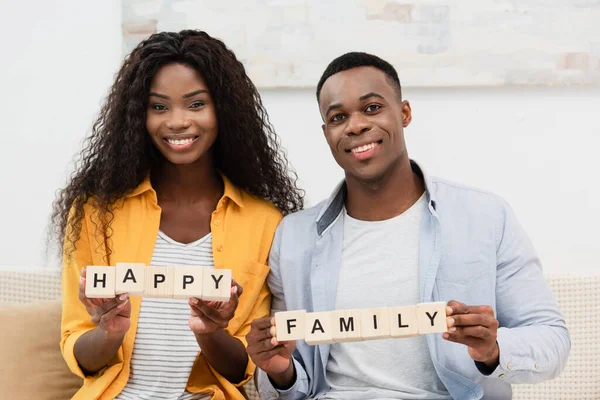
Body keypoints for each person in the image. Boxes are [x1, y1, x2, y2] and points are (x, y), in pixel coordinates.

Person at [246, 52, 570, 400]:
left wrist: (493, 350)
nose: (355, 125)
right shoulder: (293, 238)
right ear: (327, 134)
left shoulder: (485, 216)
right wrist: (280, 371)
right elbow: (289, 383)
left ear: (404, 113)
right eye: (339, 117)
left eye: (371, 108)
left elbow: (551, 339)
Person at [52, 30, 303, 400]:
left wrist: (210, 331)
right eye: (158, 107)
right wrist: (108, 330)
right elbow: (80, 355)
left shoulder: (264, 222)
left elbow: (239, 371)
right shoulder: (93, 212)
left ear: (224, 110)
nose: (177, 122)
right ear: (138, 115)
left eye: (196, 104)